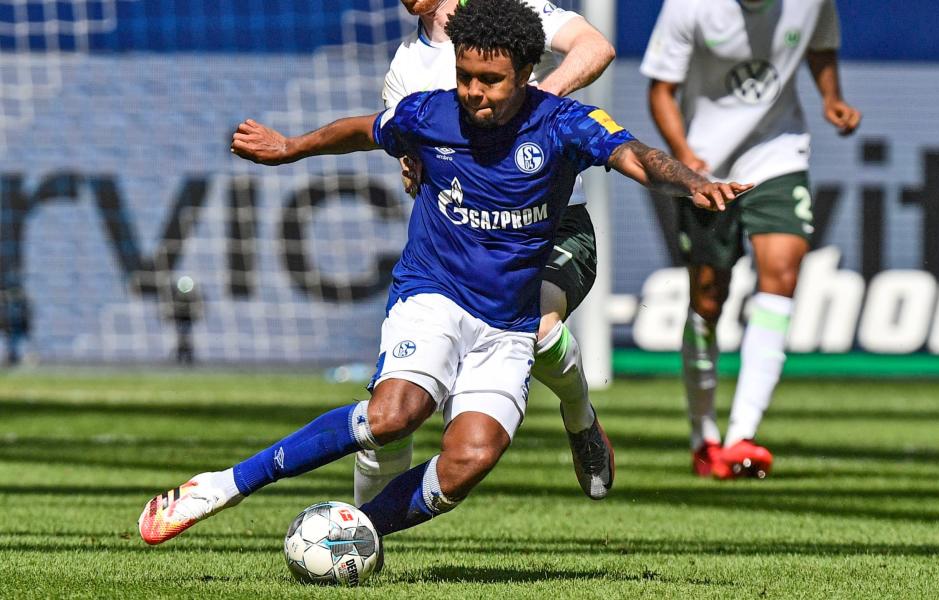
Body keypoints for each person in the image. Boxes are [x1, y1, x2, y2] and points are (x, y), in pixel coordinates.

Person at [138, 0, 749, 551]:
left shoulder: (564, 124)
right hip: (433, 293)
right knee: (394, 415)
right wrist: (291, 147)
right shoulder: (429, 112)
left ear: (527, 73)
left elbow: (634, 154)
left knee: (470, 459)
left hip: (506, 321)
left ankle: (358, 530)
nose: (474, 93)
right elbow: (364, 129)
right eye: (464, 77)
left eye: (491, 81)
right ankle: (221, 486)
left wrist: (690, 183)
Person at [359, 0, 619, 505]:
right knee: (395, 410)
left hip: (557, 224)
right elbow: (410, 154)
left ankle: (581, 418)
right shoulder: (405, 68)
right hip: (474, 239)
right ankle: (366, 526)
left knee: (541, 328)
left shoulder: (510, 15)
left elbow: (596, 46)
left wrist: (542, 102)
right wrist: (414, 167)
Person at [640, 0, 861, 479]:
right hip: (706, 167)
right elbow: (661, 91)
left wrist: (831, 97)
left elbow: (819, 45)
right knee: (708, 299)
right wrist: (684, 157)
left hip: (779, 154)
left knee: (780, 275)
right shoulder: (689, 8)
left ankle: (742, 436)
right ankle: (705, 435)